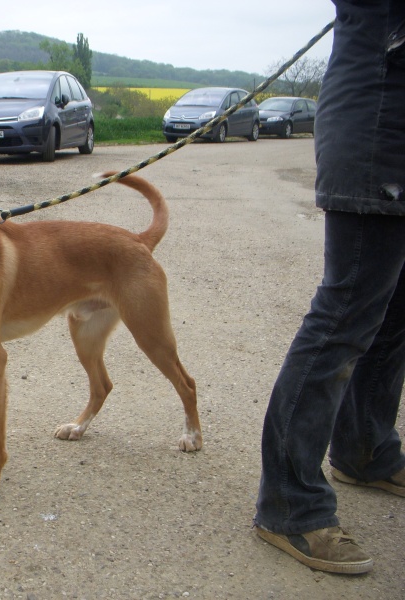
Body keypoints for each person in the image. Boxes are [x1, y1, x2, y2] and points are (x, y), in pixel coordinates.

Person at [254, 0, 405, 575]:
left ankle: (366, 450)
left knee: (391, 311)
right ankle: (289, 504)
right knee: (345, 314)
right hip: (378, 127)